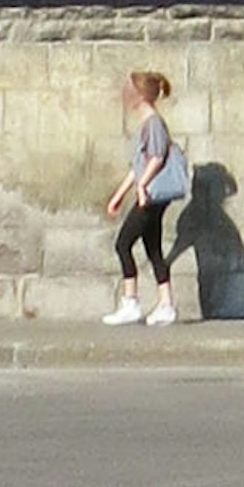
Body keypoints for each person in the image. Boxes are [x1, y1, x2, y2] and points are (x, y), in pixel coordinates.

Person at [104, 70, 183, 323]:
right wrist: (119, 195)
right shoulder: (147, 125)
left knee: (123, 244)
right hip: (148, 194)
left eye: (130, 91)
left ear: (140, 96)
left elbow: (157, 158)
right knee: (153, 249)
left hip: (150, 197)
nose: (126, 96)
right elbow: (138, 167)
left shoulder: (154, 124)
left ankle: (131, 302)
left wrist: (141, 187)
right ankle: (166, 304)